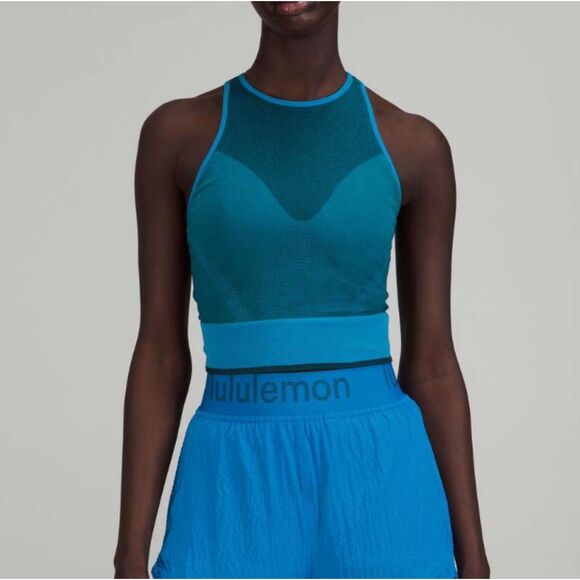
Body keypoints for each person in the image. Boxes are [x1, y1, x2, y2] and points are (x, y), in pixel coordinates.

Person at [114, 2, 490, 578]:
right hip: (234, 482)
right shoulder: (178, 136)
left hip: (382, 482)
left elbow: (433, 364)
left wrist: (475, 560)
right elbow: (161, 354)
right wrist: (128, 559)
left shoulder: (414, 147)